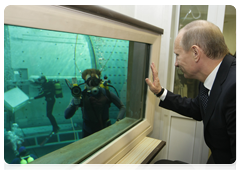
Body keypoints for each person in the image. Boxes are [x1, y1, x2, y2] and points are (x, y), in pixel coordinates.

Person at [145, 20, 237, 170]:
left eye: (178, 55)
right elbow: (198, 108)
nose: (175, 63)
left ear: (195, 53)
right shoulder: (210, 77)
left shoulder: (235, 87)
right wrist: (161, 93)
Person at [64, 69, 126, 138]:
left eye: (95, 81)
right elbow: (67, 115)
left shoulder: (106, 93)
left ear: (99, 82)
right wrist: (76, 101)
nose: (93, 84)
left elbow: (122, 107)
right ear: (85, 83)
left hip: (104, 130)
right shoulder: (81, 96)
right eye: (90, 82)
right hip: (89, 132)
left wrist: (118, 121)